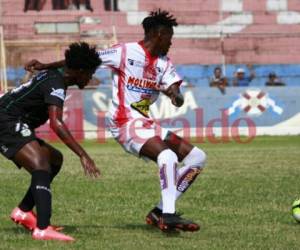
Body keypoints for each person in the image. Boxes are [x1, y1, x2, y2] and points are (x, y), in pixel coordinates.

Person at [25, 10, 207, 233]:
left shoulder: (164, 63)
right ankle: (168, 216)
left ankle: (159, 211)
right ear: (158, 34)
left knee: (197, 157)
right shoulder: (125, 51)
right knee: (167, 156)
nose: (171, 42)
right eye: (169, 36)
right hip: (124, 123)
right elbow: (83, 60)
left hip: (146, 123)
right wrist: (45, 66)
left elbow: (178, 98)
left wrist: (173, 94)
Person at [0, 42, 101, 241]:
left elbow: (66, 62)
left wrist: (45, 65)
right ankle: (42, 229)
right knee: (41, 165)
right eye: (89, 73)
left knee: (54, 159)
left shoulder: (61, 72)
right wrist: (83, 154)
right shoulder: (56, 82)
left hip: (12, 119)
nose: (90, 79)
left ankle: (23, 211)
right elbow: (56, 123)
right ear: (79, 71)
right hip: (5, 120)